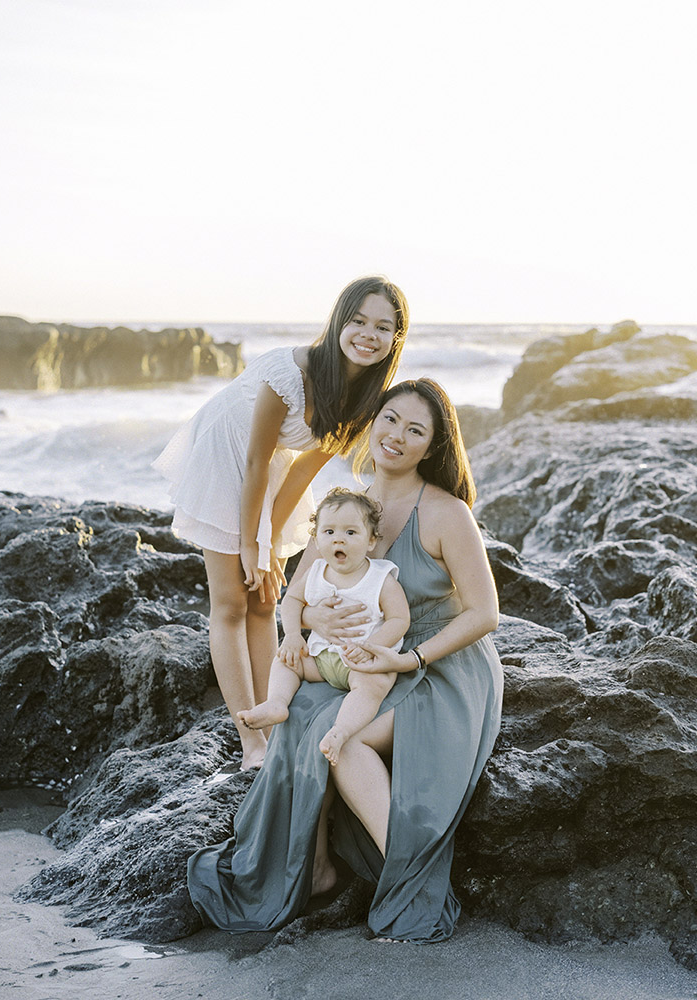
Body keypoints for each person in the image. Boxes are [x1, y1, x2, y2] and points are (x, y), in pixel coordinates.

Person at [187, 378, 503, 943]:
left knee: (345, 739)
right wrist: (312, 624)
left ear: (432, 446)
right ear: (372, 422)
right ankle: (313, 869)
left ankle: (412, 877)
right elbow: (298, 595)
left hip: (439, 665)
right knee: (299, 715)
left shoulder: (445, 512)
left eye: (415, 430)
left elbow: (484, 614)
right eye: (389, 420)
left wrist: (411, 660)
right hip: (360, 661)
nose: (397, 436)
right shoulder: (347, 507)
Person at [153, 277, 409, 769]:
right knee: (230, 601)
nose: (367, 334)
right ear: (339, 321)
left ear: (395, 338)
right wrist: (252, 543)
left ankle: (272, 719)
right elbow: (254, 460)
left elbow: (297, 473)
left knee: (266, 597)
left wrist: (270, 546)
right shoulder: (288, 372)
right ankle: (250, 743)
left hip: (266, 474)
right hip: (225, 455)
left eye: (382, 327)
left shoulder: (362, 401)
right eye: (358, 321)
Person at [237, 487, 410, 767]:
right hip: (320, 659)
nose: (338, 538)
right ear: (316, 539)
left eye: (350, 533)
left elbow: (399, 620)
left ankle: (340, 731)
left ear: (371, 541)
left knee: (374, 685)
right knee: (285, 659)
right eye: (329, 532)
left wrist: (371, 647)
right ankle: (277, 703)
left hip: (361, 663)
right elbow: (291, 600)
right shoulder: (316, 572)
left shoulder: (380, 577)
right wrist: (293, 635)